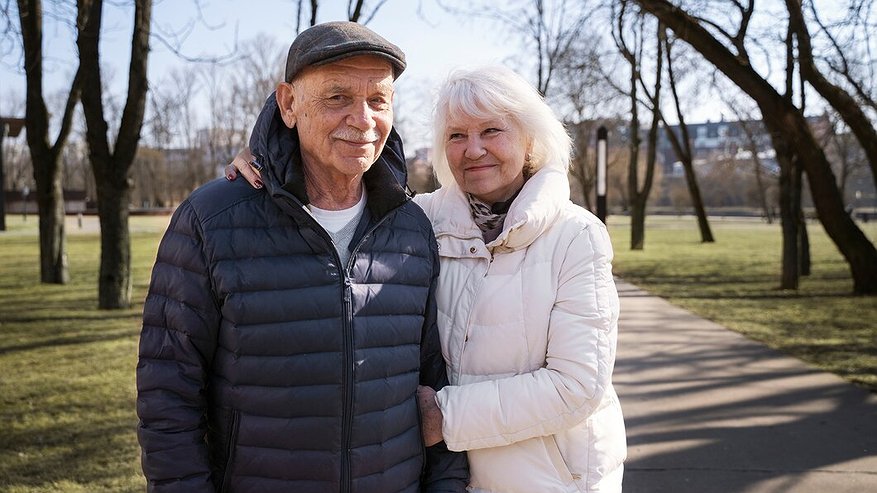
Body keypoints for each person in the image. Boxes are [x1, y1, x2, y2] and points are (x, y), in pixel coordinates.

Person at [229, 66, 627, 492]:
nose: (473, 150)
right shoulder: (422, 220)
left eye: (491, 131)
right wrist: (268, 158)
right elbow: (333, 180)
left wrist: (444, 416)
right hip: (448, 479)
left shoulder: (576, 235)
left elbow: (577, 386)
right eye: (457, 136)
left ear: (530, 137)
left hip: (549, 479)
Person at [136, 21, 468, 493]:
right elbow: (167, 397)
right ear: (289, 104)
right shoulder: (210, 221)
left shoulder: (412, 226)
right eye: (337, 98)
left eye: (378, 100)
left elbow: (437, 385)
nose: (363, 119)